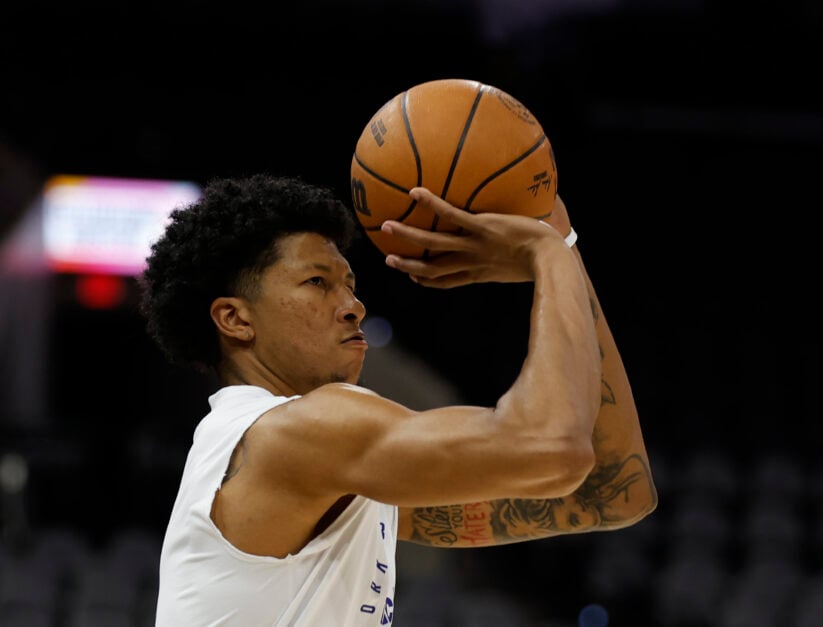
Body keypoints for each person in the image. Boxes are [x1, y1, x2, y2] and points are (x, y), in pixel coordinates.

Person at [140, 173, 657, 626]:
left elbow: (612, 491)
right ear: (235, 319)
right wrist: (549, 253)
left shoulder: (319, 468)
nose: (353, 306)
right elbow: (555, 448)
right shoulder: (298, 432)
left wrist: (564, 250)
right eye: (317, 282)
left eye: (351, 284)